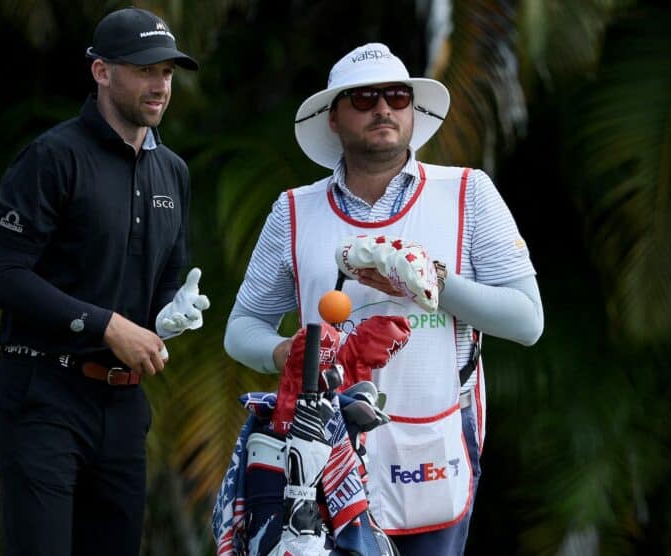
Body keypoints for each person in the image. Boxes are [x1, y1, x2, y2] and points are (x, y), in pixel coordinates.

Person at [224, 43, 544, 555]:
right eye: (364, 98)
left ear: (412, 111)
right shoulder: (293, 211)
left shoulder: (468, 192)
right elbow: (241, 329)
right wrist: (282, 352)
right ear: (333, 118)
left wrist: (434, 282)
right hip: (321, 449)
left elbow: (527, 321)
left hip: (435, 442)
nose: (384, 109)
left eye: (397, 96)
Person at [0, 7, 209, 556]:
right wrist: (105, 324)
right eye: (146, 70)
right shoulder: (54, 157)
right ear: (102, 72)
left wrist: (167, 316)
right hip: (44, 395)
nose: (160, 86)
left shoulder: (171, 171)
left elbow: (163, 283)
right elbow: (5, 278)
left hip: (123, 407)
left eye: (169, 73)